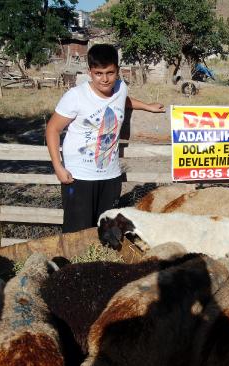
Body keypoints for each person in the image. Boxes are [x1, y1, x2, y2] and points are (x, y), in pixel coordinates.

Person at [46, 44, 165, 233]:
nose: (104, 79)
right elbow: (52, 129)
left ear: (118, 71)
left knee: (107, 232)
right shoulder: (75, 96)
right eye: (98, 73)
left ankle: (102, 263)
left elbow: (123, 99)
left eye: (110, 73)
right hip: (79, 177)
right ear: (89, 72)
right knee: (78, 233)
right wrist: (58, 166)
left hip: (111, 176)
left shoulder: (120, 87)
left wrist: (147, 106)